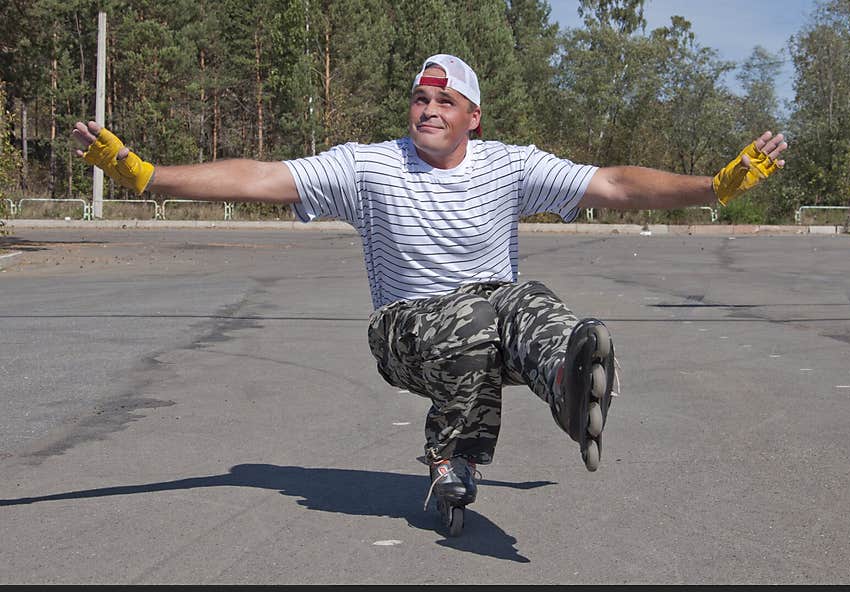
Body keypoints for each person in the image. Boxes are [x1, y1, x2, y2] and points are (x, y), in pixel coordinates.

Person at [73, 54, 787, 533]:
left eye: (445, 100)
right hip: (402, 333)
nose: (428, 108)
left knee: (520, 298)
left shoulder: (511, 166)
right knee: (476, 309)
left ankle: (566, 377)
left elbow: (615, 184)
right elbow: (258, 177)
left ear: (473, 116)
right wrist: (146, 173)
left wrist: (713, 187)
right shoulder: (366, 168)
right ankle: (458, 446)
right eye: (419, 97)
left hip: (482, 328)